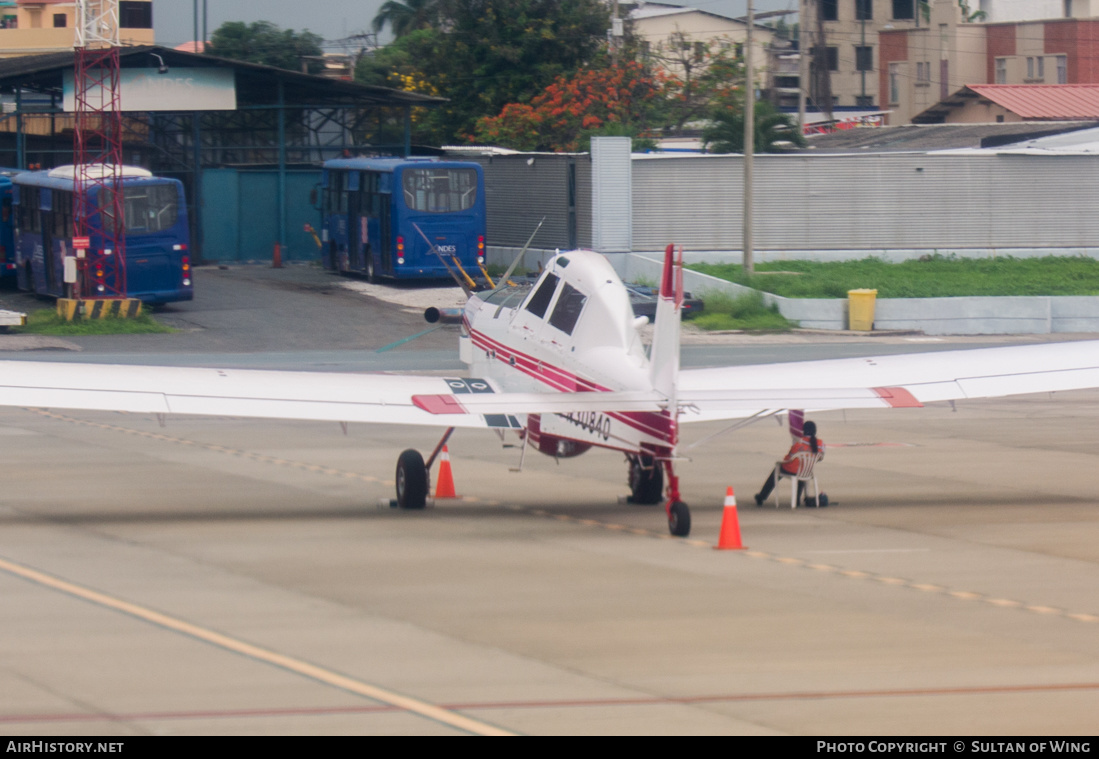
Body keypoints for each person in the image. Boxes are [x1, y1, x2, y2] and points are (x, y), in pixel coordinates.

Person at [754, 420, 825, 507]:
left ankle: (761, 497)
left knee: (778, 470)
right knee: (801, 472)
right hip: (807, 471)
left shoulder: (798, 443)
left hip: (793, 469)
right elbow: (820, 457)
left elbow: (788, 458)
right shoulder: (820, 443)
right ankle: (797, 499)